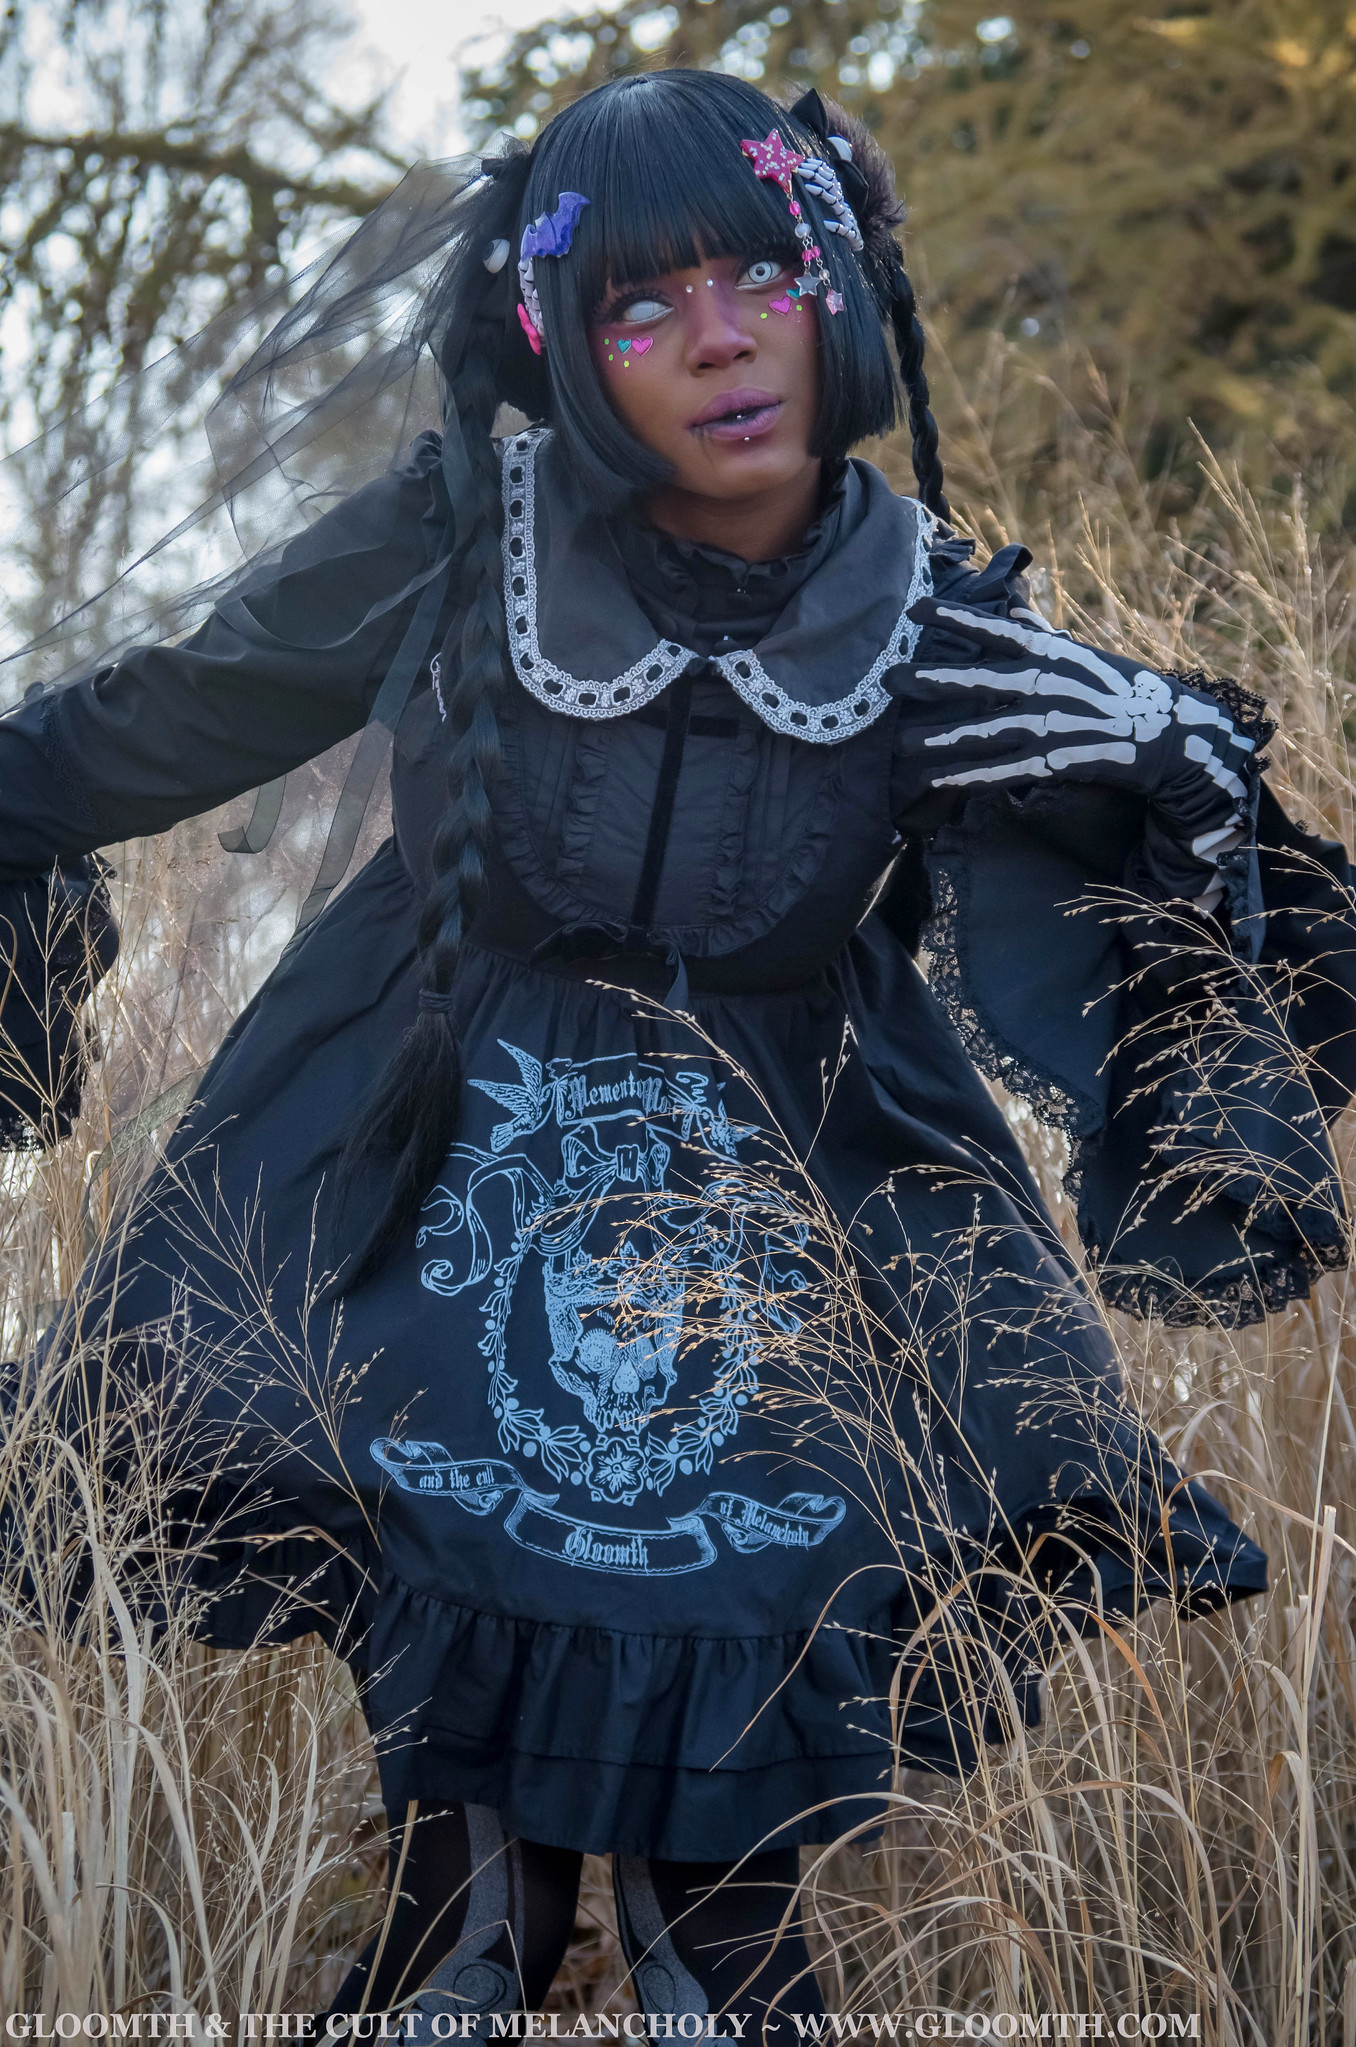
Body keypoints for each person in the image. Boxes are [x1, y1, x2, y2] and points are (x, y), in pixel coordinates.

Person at [1, 66, 1351, 2034]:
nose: (719, 339)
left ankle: (699, 1945)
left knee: (732, 1846)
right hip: (413, 1168)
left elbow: (1153, 900)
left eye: (762, 273)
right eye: (641, 305)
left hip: (796, 1211)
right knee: (461, 1818)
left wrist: (1180, 773)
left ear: (843, 289)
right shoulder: (465, 533)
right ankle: (464, 1936)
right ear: (562, 346)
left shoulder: (932, 619)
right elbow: (158, 721)